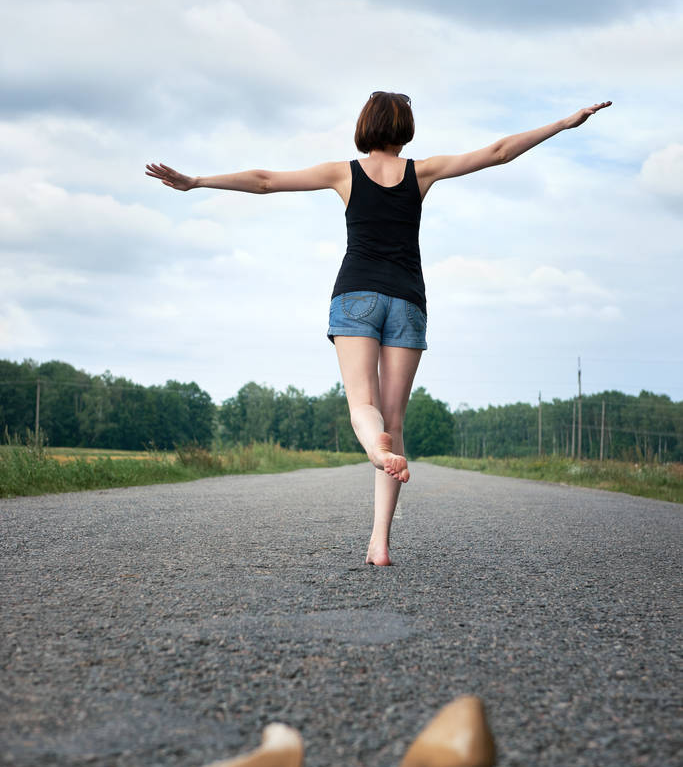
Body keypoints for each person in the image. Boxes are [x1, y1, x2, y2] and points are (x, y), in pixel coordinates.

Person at [146, 91, 611, 565]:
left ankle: (373, 450)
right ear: (405, 127)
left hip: (356, 297)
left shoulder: (342, 173)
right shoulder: (421, 172)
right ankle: (379, 542)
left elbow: (265, 181)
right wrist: (563, 124)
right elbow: (497, 153)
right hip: (408, 301)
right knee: (395, 421)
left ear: (365, 125)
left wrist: (198, 180)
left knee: (363, 409)